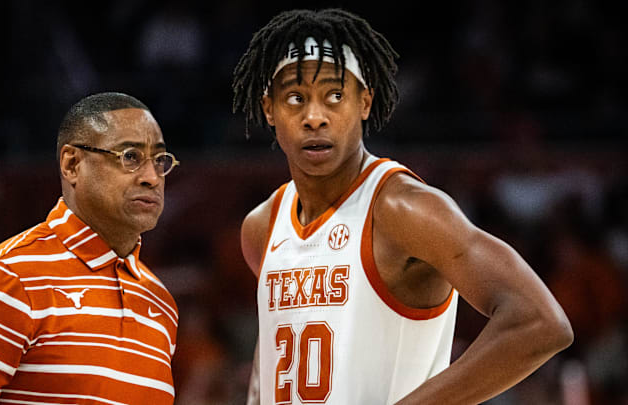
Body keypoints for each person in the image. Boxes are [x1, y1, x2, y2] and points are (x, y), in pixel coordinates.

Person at [232, 8, 573, 405]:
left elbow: (541, 322)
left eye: (335, 95)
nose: (314, 117)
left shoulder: (402, 208)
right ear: (269, 109)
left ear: (365, 102)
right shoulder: (262, 226)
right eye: (295, 98)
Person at [0, 92, 181, 404]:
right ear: (72, 164)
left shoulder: (160, 302)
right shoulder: (8, 281)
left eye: (160, 160)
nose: (152, 177)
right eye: (130, 157)